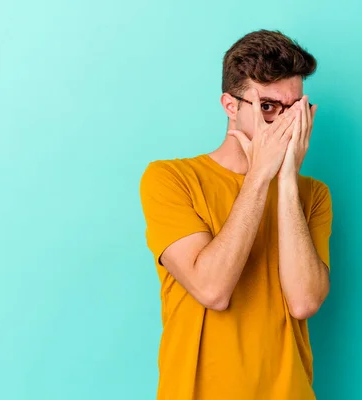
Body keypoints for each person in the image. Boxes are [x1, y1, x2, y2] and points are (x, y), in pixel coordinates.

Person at [139, 29, 333, 400]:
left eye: (295, 109)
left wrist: (287, 178)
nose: (285, 123)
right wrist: (260, 175)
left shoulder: (314, 195)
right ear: (231, 106)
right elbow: (212, 289)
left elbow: (304, 301)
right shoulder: (171, 179)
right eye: (268, 107)